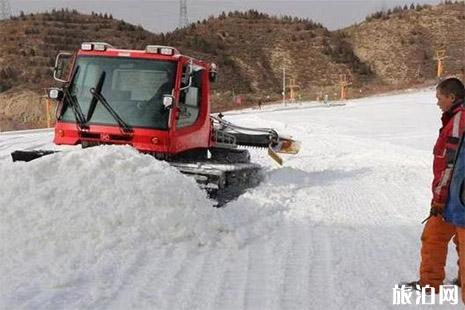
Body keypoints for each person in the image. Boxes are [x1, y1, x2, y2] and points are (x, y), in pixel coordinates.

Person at [403, 78, 465, 295]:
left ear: (452, 97)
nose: (437, 102)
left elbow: (449, 164)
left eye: (439, 98)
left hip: (454, 196)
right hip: (455, 195)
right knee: (444, 237)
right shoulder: (454, 118)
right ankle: (434, 282)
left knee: (442, 238)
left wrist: (439, 197)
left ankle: (433, 283)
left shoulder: (459, 121)